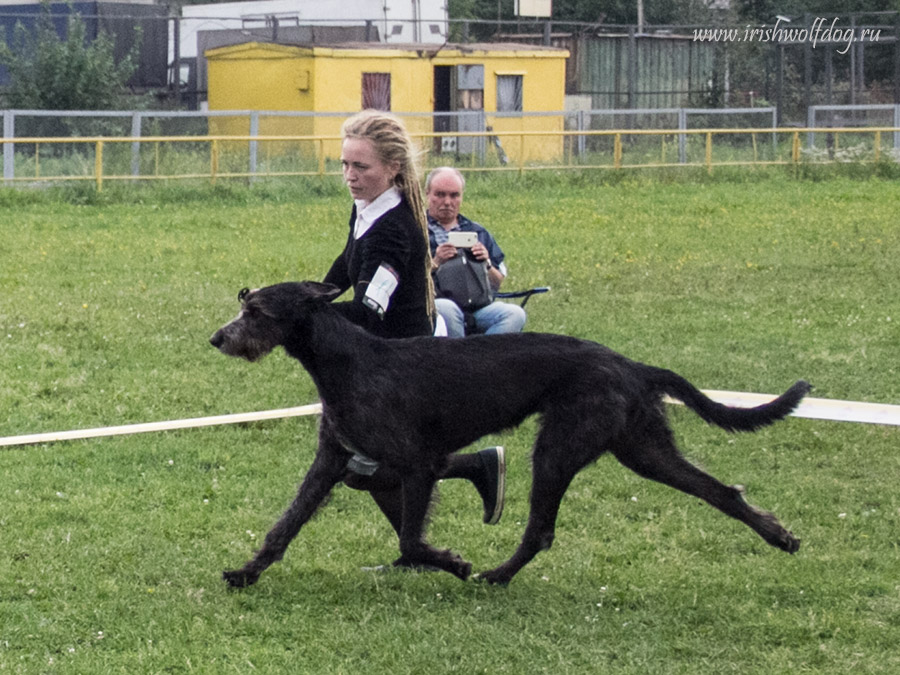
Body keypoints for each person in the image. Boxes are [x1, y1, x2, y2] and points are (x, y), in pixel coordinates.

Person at [322, 111, 506, 530]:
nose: (349, 176)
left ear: (392, 168)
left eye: (360, 167)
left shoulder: (394, 228)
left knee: (365, 467)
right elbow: (349, 260)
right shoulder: (366, 206)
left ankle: (472, 471)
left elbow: (371, 308)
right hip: (383, 354)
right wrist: (315, 292)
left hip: (402, 362)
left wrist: (304, 317)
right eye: (345, 164)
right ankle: (418, 545)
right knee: (359, 463)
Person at [426, 166, 526, 337]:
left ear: (462, 196)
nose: (448, 202)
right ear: (427, 194)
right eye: (440, 194)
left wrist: (486, 263)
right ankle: (460, 361)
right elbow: (407, 282)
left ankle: (483, 360)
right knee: (446, 309)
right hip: (437, 305)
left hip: (479, 307)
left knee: (515, 314)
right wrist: (435, 262)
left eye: (454, 195)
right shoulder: (417, 231)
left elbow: (497, 283)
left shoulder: (477, 232)